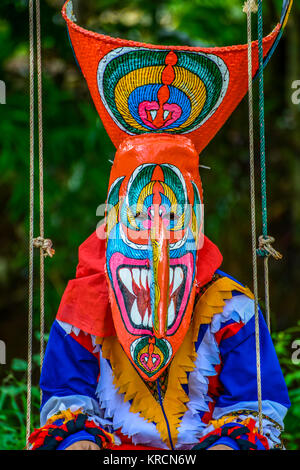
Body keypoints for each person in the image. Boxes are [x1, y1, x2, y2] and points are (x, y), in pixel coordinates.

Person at [28, 0, 292, 451]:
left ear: (197, 217)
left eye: (172, 215)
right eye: (139, 214)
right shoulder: (83, 304)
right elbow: (65, 397)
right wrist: (76, 438)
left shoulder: (232, 307)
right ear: (111, 216)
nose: (155, 233)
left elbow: (254, 406)